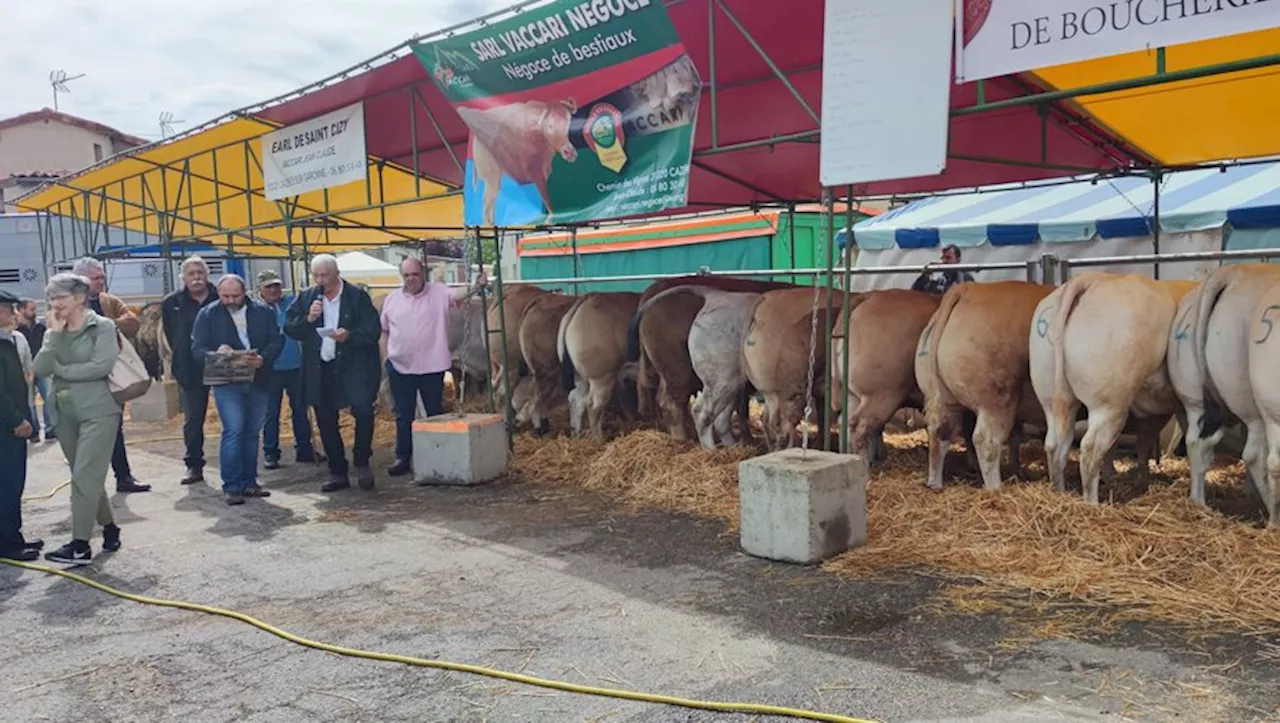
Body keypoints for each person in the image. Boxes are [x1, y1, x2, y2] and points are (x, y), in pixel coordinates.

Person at [32, 273, 123, 565]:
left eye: (60, 297)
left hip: (98, 410)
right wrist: (55, 336)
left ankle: (80, 545)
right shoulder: (52, 331)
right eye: (51, 299)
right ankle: (109, 527)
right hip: (63, 412)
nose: (55, 304)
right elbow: (41, 367)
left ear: (80, 298)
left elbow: (101, 366)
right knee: (86, 476)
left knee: (84, 475)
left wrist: (64, 372)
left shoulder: (102, 326)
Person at [380, 257, 487, 477]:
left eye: (415, 274)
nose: (411, 279)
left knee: (434, 413)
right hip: (400, 364)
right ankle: (403, 457)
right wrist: (386, 356)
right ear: (402, 276)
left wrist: (476, 285)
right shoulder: (392, 300)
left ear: (423, 274)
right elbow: (384, 329)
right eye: (407, 275)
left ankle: (437, 455)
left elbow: (457, 294)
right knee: (403, 414)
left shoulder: (438, 293)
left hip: (431, 364)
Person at [284, 254, 382, 492]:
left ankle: (361, 462)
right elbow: (290, 327)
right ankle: (338, 470)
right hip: (321, 367)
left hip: (353, 366)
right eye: (316, 275)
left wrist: (349, 336)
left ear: (336, 273)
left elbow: (373, 330)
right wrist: (308, 318)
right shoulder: (307, 297)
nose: (320, 280)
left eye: (325, 275)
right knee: (326, 419)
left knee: (363, 410)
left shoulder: (357, 297)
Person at [191, 275, 283, 505]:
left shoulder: (263, 312)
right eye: (225, 296)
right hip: (226, 381)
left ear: (246, 292)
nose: (230, 300)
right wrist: (215, 353)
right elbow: (196, 348)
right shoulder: (208, 314)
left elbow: (276, 339)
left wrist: (263, 358)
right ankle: (232, 485)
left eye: (235, 296)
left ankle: (249, 481)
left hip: (259, 379)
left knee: (252, 432)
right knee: (233, 430)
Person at [72, 257, 150, 493]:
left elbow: (133, 322)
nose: (102, 282)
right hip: (84, 378)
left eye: (103, 277)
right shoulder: (67, 304)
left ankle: (123, 477)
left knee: (115, 426)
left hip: (113, 376)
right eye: (97, 278)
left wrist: (107, 325)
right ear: (82, 280)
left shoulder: (108, 301)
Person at [255, 269, 322, 469]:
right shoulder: (256, 309)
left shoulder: (293, 302)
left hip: (296, 366)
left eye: (276, 285)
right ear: (261, 289)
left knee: (300, 410)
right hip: (270, 368)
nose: (274, 289)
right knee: (271, 412)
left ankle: (304, 448)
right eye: (269, 287)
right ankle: (270, 452)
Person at [161, 255, 217, 486]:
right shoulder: (172, 302)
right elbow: (171, 333)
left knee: (235, 417)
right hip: (189, 368)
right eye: (191, 274)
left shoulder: (220, 297)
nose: (196, 278)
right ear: (183, 278)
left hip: (222, 363)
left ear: (207, 275)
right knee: (193, 419)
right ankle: (194, 465)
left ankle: (242, 465)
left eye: (200, 273)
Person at [0, 289, 40, 562]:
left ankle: (14, 536)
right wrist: (17, 420)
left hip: (11, 423)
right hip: (6, 427)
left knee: (12, 484)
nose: (14, 314)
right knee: (8, 484)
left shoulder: (9, 341)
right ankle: (9, 545)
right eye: (8, 309)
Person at [17, 300, 51, 443]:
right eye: (31, 309)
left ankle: (50, 430)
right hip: (26, 369)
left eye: (35, 309)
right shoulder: (18, 331)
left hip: (42, 367)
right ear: (22, 310)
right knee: (29, 401)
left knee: (48, 397)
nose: (34, 311)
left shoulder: (40, 327)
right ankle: (34, 431)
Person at [910, 244, 976, 296]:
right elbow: (914, 292)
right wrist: (925, 275)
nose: (944, 261)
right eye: (942, 258)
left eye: (948, 258)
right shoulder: (936, 275)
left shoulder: (965, 278)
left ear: (958, 260)